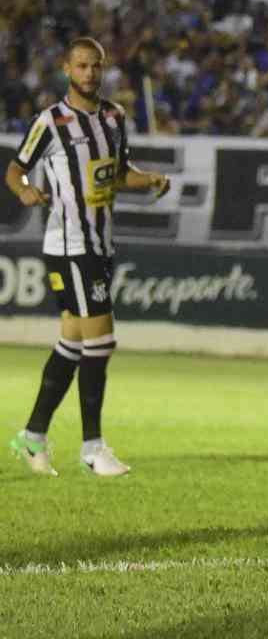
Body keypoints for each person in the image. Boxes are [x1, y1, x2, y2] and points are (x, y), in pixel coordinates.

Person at [6, 37, 170, 477]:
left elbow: (116, 175)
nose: (89, 74)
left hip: (101, 243)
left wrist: (148, 179)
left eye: (95, 66)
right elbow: (15, 168)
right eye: (81, 66)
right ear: (67, 69)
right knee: (101, 342)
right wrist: (24, 190)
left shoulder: (114, 118)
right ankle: (93, 448)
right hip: (70, 245)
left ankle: (32, 436)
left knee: (73, 344)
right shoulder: (51, 121)